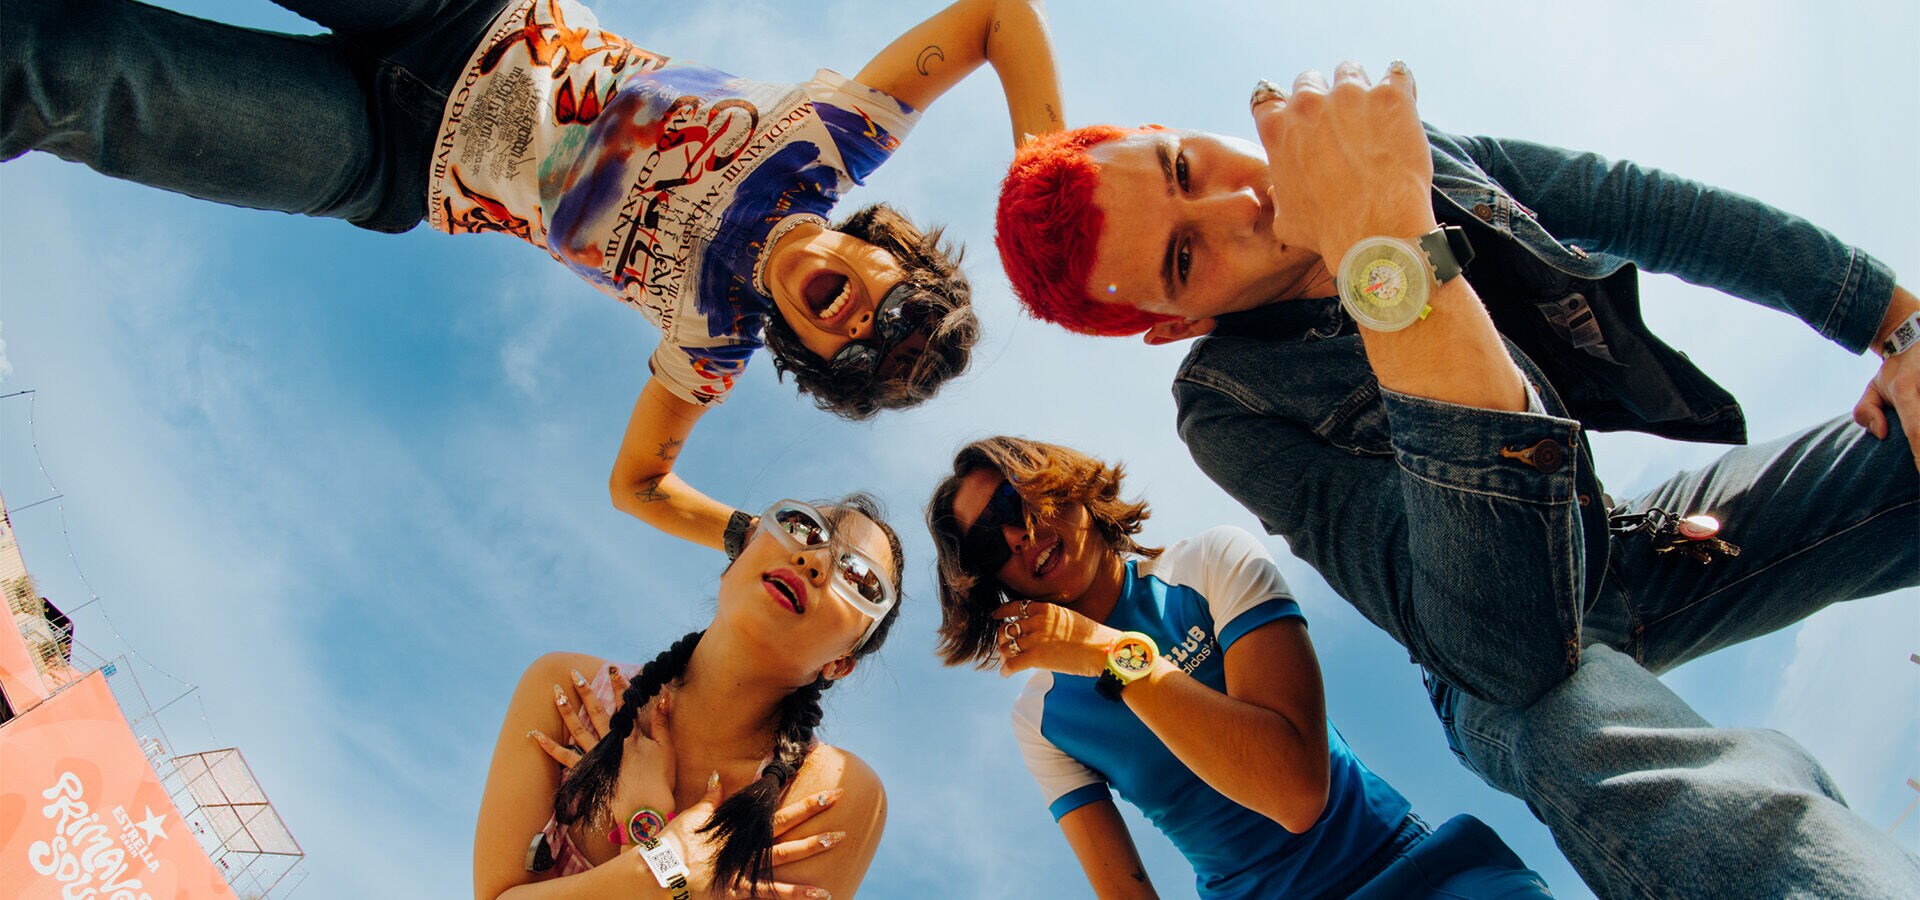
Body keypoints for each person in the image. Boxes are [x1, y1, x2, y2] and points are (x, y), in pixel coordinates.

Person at [991, 64, 1920, 896]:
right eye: (1185, 259)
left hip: (1623, 535)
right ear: (1173, 324)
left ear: (1172, 126)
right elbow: (1501, 644)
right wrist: (1380, 253)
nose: (1243, 212)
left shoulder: (1412, 157)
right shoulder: (1226, 408)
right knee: (1583, 737)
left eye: (1185, 170)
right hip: (1487, 656)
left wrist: (1900, 329)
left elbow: (1650, 210)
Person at [2, 0, 1065, 553]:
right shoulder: (830, 143)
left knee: (73, 80)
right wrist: (1048, 171)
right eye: (906, 305)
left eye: (870, 355)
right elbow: (992, 19)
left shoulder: (714, 341)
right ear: (893, 250)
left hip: (386, 156)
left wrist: (741, 530)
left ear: (818, 356)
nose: (874, 319)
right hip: (473, 15)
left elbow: (636, 484)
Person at [927, 436, 1554, 899]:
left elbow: (1295, 793)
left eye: (1014, 499)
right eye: (986, 543)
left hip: (1419, 874)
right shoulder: (1043, 719)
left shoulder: (1212, 564)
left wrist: (1108, 655)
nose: (1014, 535)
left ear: (1061, 482)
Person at [473, 494, 903, 899]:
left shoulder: (832, 792)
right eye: (802, 526)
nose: (815, 560)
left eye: (858, 577)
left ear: (842, 663)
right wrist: (670, 872)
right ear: (737, 558)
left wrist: (646, 834)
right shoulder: (569, 693)